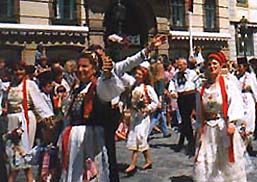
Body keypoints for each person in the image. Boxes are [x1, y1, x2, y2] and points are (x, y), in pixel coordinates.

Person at [59, 34, 166, 181]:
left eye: (85, 66)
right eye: (79, 66)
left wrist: (149, 49)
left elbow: (128, 63)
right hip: (79, 136)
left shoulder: (107, 76)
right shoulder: (77, 86)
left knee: (105, 161)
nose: (81, 69)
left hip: (103, 122)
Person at [193, 51, 246, 182]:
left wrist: (233, 122)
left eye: (215, 64)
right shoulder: (202, 88)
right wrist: (199, 125)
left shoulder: (228, 84)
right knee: (207, 156)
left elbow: (235, 101)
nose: (212, 66)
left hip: (223, 125)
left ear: (220, 65)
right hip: (208, 128)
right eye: (209, 64)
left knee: (225, 156)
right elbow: (200, 109)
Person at [4, 61, 54, 182]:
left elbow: (38, 102)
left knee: (22, 151)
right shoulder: (9, 86)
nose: (18, 72)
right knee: (13, 152)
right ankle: (30, 179)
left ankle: (12, 179)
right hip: (11, 120)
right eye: (16, 70)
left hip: (25, 120)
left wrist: (47, 117)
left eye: (21, 69)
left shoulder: (30, 85)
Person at [125, 65, 158, 173]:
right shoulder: (133, 86)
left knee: (139, 136)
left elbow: (155, 102)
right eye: (136, 74)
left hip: (143, 117)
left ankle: (132, 164)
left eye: (140, 74)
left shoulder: (147, 88)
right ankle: (148, 160)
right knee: (137, 138)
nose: (137, 76)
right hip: (135, 116)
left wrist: (147, 109)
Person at [169, 58, 199, 155]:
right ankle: (190, 140)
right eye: (178, 65)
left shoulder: (192, 74)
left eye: (181, 65)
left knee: (192, 118)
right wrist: (172, 92)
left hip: (191, 96)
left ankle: (187, 140)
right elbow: (172, 84)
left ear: (185, 65)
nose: (179, 67)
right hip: (181, 97)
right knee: (185, 119)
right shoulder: (176, 75)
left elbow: (198, 84)